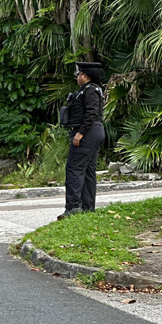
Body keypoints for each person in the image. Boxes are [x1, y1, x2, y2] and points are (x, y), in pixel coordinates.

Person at [59, 61, 105, 220]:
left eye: (79, 74)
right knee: (88, 170)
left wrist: (80, 133)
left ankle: (73, 208)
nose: (77, 77)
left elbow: (92, 113)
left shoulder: (90, 90)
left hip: (88, 132)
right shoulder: (92, 89)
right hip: (94, 131)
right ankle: (87, 208)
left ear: (84, 75)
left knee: (74, 168)